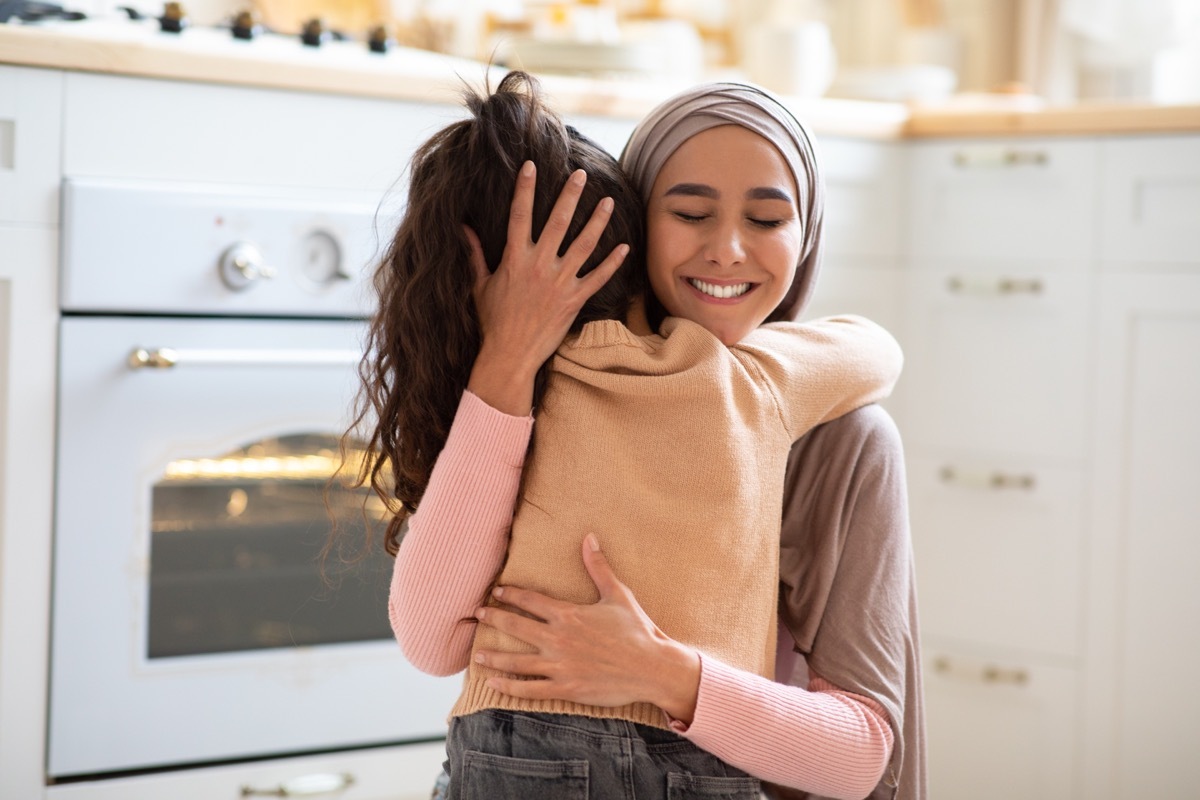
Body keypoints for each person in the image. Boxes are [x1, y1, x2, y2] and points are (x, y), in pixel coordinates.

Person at [352, 72, 909, 799]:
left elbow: (859, 756)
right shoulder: (751, 383)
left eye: (769, 219)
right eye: (688, 211)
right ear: (633, 223)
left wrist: (661, 671)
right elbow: (431, 636)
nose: (729, 251)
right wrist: (509, 355)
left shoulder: (843, 439)